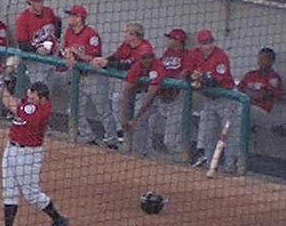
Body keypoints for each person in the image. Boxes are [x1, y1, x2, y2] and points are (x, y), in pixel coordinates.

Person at [0, 82, 70, 226]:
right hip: (11, 149)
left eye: (33, 97)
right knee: (9, 190)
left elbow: (13, 106)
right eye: (28, 95)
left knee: (31, 194)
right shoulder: (31, 104)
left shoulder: (42, 111)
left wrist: (3, 89)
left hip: (28, 155)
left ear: (42, 98)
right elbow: (14, 103)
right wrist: (3, 91)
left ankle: (58, 219)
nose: (29, 99)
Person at [125, 29, 193, 158]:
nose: (168, 40)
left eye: (171, 38)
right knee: (140, 121)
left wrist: (173, 82)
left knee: (170, 141)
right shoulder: (167, 53)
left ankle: (181, 164)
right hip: (160, 95)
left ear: (178, 40)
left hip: (176, 98)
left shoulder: (186, 55)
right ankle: (141, 154)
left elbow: (185, 73)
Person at [59, 5, 112, 145]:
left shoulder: (91, 35)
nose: (68, 18)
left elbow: (94, 59)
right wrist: (68, 54)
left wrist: (76, 53)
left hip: (94, 77)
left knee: (103, 110)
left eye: (71, 15)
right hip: (78, 77)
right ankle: (88, 137)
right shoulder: (68, 32)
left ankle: (113, 140)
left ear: (79, 18)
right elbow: (65, 49)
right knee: (75, 109)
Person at [189, 29, 239, 171]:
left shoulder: (220, 56)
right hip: (209, 100)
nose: (208, 46)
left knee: (229, 134)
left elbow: (217, 80)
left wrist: (200, 80)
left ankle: (230, 167)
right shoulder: (195, 54)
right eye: (204, 43)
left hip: (226, 98)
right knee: (208, 133)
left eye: (210, 42)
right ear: (199, 44)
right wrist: (193, 79)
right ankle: (210, 164)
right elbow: (187, 73)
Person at [101, 21, 155, 140]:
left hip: (144, 91)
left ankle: (144, 149)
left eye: (126, 32)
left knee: (140, 122)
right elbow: (115, 57)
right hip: (131, 88)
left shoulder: (145, 48)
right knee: (116, 99)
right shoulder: (125, 46)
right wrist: (102, 61)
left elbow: (131, 64)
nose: (123, 34)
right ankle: (121, 132)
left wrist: (108, 64)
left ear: (134, 35)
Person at [13, 0, 60, 92]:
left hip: (52, 57)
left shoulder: (49, 12)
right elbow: (22, 45)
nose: (40, 4)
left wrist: (57, 42)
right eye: (36, 1)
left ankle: (44, 108)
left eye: (41, 0)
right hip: (35, 61)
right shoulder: (23, 19)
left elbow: (57, 26)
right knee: (38, 90)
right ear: (29, 2)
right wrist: (36, 50)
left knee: (48, 91)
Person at [239, 47, 282, 137]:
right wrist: (251, 93)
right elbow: (238, 89)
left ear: (271, 61)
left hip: (262, 112)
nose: (260, 61)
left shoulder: (273, 77)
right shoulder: (250, 75)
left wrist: (246, 91)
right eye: (259, 58)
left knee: (240, 111)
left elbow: (261, 96)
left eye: (264, 58)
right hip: (246, 107)